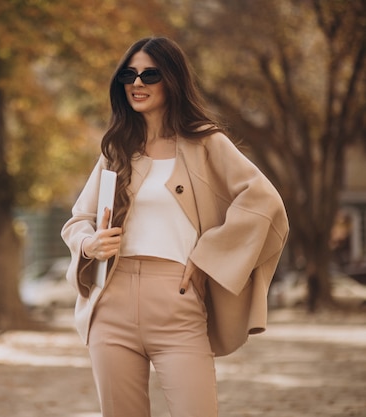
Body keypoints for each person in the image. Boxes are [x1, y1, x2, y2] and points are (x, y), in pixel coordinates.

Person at [61, 36, 289, 417]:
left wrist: (207, 257)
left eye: (150, 74)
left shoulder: (206, 143)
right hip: (111, 304)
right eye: (128, 75)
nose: (137, 83)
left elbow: (263, 201)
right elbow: (78, 220)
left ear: (172, 80)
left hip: (178, 300)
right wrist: (89, 245)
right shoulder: (117, 149)